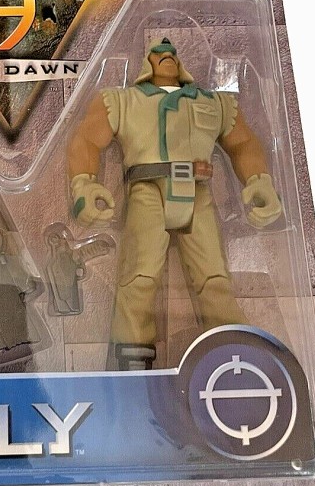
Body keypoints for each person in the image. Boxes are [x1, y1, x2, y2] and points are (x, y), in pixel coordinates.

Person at [67, 37, 282, 370]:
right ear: (147, 64)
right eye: (158, 53)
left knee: (214, 279)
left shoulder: (215, 102)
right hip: (147, 190)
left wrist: (259, 180)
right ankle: (131, 361)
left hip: (198, 192)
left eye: (170, 53)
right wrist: (84, 183)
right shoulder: (122, 101)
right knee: (139, 278)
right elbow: (86, 140)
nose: (165, 53)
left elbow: (243, 144)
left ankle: (234, 355)